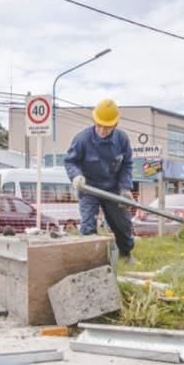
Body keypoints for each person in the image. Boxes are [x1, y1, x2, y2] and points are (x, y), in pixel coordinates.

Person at [64, 99, 136, 261]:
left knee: (122, 224)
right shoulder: (82, 139)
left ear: (115, 125)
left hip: (113, 188)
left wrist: (125, 188)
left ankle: (126, 254)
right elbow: (70, 161)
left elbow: (127, 164)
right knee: (88, 224)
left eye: (107, 126)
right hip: (89, 188)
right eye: (99, 125)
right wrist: (76, 176)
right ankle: (90, 259)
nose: (102, 130)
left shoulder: (122, 140)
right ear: (94, 121)